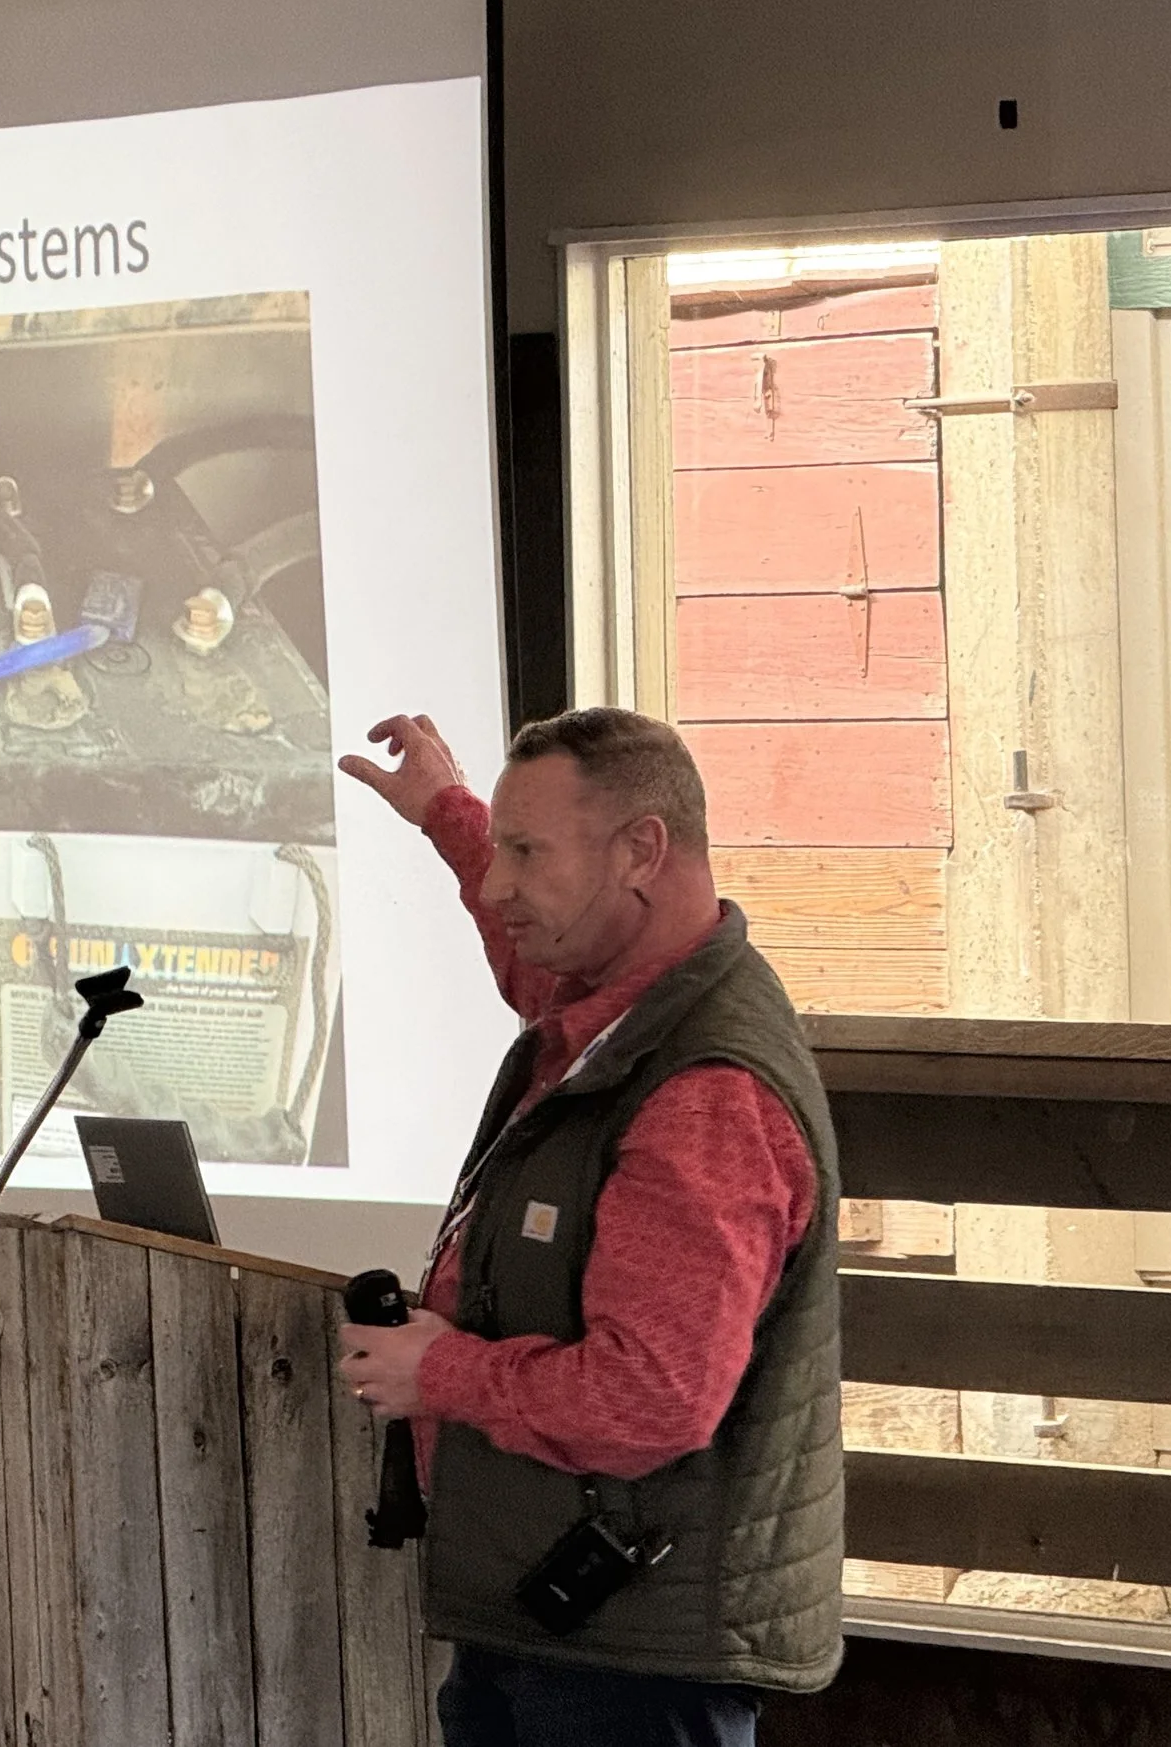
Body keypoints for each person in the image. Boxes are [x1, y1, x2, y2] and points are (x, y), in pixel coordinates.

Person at [336, 707, 842, 1747]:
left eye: (527, 854)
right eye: (501, 853)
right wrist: (447, 814)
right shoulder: (618, 1007)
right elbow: (530, 962)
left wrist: (444, 1376)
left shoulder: (703, 1094)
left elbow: (650, 1396)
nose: (496, 886)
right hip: (566, 1622)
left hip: (629, 1660)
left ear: (642, 852)